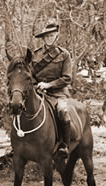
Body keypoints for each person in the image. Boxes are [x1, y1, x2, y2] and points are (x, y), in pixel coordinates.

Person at [32, 19, 72, 158]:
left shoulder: (64, 54)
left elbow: (67, 78)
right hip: (38, 93)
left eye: (51, 35)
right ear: (43, 38)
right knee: (20, 109)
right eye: (46, 36)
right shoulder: (35, 55)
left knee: (63, 111)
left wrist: (49, 85)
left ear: (56, 36)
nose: (49, 38)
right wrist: (36, 86)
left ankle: (64, 146)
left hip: (58, 94)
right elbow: (29, 75)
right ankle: (19, 146)